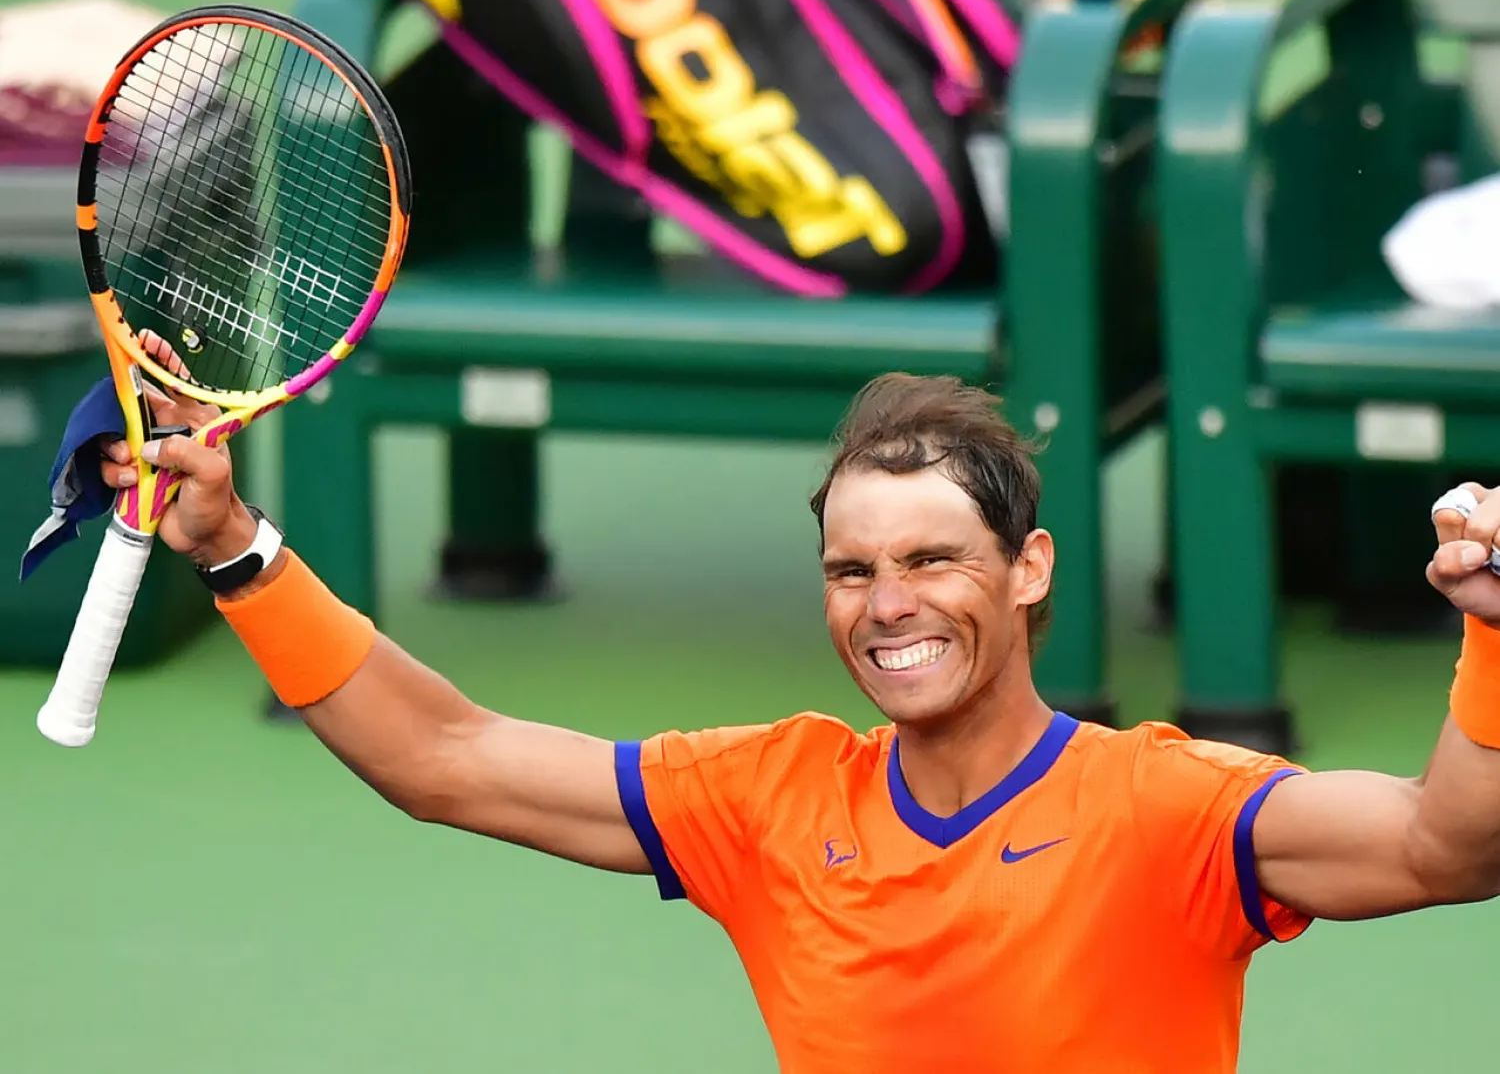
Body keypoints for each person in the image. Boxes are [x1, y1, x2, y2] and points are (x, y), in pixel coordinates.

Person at [97, 370, 1500, 1072]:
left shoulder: (1177, 809)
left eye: (932, 561)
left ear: (1029, 571)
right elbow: (447, 761)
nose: (889, 607)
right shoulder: (769, 798)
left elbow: (1451, 850)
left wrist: (1492, 639)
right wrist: (235, 546)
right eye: (852, 571)